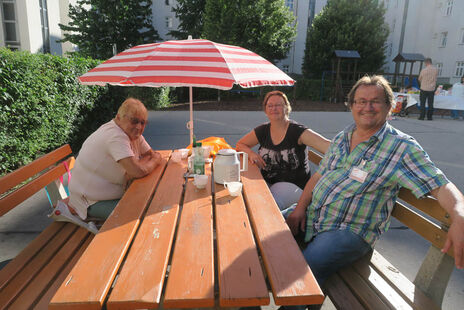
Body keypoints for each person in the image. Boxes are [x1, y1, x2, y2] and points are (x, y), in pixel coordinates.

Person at [285, 75, 464, 296]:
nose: (367, 107)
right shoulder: (343, 137)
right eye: (361, 101)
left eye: (375, 101)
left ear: (389, 107)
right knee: (260, 240)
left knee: (303, 273)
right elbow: (319, 176)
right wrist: (300, 208)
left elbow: (440, 185)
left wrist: (460, 215)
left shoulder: (401, 147)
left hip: (349, 230)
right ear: (351, 106)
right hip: (314, 216)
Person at [67, 97, 162, 221]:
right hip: (90, 202)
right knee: (144, 214)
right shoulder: (115, 136)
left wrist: (138, 167)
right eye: (134, 121)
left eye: (143, 122)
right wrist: (152, 161)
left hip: (112, 194)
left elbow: (150, 154)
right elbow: (139, 170)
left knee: (154, 200)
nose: (139, 127)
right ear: (119, 117)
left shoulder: (132, 133)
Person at [236, 91, 330, 211]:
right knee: (245, 198)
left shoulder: (297, 131)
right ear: (265, 110)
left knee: (267, 206)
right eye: (270, 105)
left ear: (287, 108)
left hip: (294, 187)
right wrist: (251, 153)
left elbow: (327, 146)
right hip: (266, 182)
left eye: (278, 105)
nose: (274, 108)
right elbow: (240, 144)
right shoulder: (263, 130)